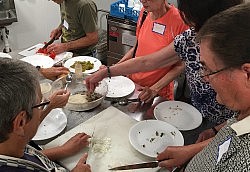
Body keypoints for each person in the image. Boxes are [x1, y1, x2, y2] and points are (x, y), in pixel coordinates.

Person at [86, 0, 242, 142]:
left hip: (228, 121)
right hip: (199, 113)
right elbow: (147, 60)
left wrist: (217, 130)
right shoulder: (190, 37)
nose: (204, 77)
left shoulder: (235, 49)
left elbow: (241, 120)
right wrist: (107, 71)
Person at [158, 3, 250, 172]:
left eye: (208, 68)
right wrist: (188, 153)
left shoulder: (244, 165)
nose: (204, 78)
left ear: (247, 74)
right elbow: (229, 133)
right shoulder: (241, 113)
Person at [0, 58, 92, 172]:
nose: (42, 108)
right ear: (21, 122)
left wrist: (63, 150)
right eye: (40, 103)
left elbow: (28, 156)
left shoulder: (10, 144)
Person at [114, 0, 188, 101]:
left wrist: (154, 89)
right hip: (133, 85)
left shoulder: (180, 21)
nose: (143, 1)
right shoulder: (144, 13)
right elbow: (136, 48)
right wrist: (114, 68)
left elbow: (181, 65)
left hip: (158, 93)